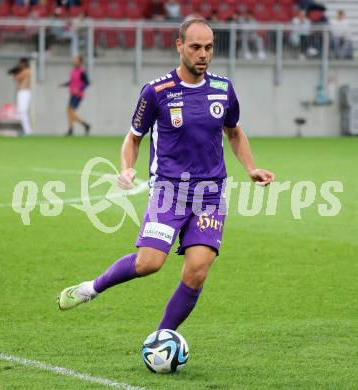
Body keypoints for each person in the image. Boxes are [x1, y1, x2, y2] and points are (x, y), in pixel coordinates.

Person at [58, 18, 275, 332]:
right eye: (196, 47)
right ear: (180, 46)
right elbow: (134, 137)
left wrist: (251, 167)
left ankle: (163, 337)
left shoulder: (223, 89)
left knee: (198, 271)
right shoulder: (157, 91)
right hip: (169, 191)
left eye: (209, 47)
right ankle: (91, 288)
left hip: (210, 195)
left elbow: (235, 132)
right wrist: (126, 168)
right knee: (149, 263)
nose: (203, 54)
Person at [60, 55, 91, 136]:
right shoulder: (73, 71)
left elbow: (87, 83)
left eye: (76, 60)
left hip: (77, 95)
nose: (74, 61)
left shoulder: (82, 72)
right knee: (69, 111)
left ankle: (84, 125)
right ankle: (72, 129)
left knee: (71, 112)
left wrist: (79, 89)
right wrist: (64, 85)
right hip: (72, 94)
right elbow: (72, 82)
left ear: (80, 62)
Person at [9, 58, 33, 136]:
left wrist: (14, 73)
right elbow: (17, 79)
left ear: (25, 64)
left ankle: (27, 130)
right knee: (21, 112)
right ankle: (26, 130)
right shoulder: (24, 71)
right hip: (22, 92)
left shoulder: (27, 71)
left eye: (21, 64)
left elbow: (15, 78)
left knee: (22, 111)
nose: (20, 65)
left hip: (24, 92)